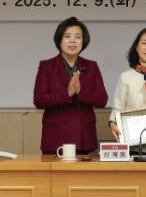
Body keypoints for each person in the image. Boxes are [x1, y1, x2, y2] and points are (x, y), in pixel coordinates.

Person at [33, 17, 108, 154]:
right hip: (56, 137)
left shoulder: (92, 66)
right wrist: (67, 93)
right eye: (67, 36)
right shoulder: (47, 66)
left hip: (83, 137)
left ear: (83, 41)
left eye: (78, 37)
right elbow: (39, 100)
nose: (73, 41)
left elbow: (102, 99)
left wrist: (80, 92)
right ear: (59, 40)